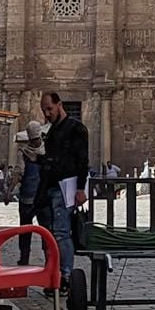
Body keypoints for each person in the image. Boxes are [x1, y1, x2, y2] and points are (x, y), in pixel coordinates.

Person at [35, 91, 88, 290]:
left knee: (61, 233)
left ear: (59, 105)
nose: (47, 113)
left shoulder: (76, 129)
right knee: (48, 235)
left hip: (64, 188)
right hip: (48, 187)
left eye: (49, 109)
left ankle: (65, 276)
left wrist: (80, 189)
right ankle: (52, 274)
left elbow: (82, 161)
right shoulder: (51, 131)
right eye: (44, 110)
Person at [15, 120, 44, 267]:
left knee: (25, 229)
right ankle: (50, 257)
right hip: (42, 196)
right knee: (46, 229)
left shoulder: (24, 152)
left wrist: (9, 191)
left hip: (29, 196)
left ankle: (24, 257)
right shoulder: (47, 150)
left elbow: (18, 173)